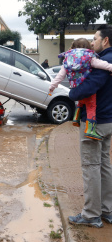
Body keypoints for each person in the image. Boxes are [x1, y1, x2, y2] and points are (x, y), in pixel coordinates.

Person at [68, 24, 112, 228]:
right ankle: (107, 210)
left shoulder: (104, 62)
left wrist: (72, 93)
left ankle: (91, 214)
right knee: (103, 165)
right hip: (108, 121)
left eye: (95, 38)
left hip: (95, 123)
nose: (91, 42)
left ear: (105, 41)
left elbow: (87, 88)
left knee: (91, 166)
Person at [49, 38, 112, 141]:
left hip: (76, 89)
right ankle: (90, 130)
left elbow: (59, 76)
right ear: (88, 47)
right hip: (87, 92)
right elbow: (103, 65)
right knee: (91, 107)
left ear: (73, 46)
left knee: (80, 102)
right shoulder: (89, 57)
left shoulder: (67, 58)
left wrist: (52, 87)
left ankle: (76, 117)